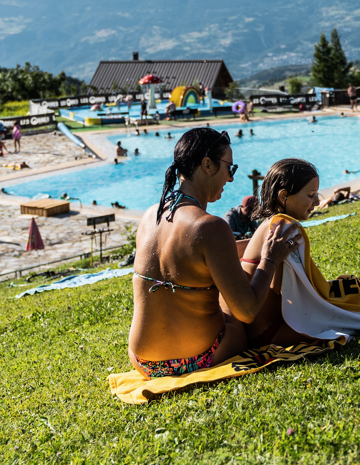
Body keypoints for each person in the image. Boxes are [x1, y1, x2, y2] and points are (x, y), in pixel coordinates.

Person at [127, 128, 300, 378]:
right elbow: (247, 310)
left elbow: (190, 255)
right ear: (207, 164)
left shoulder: (150, 215)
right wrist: (269, 259)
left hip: (144, 361)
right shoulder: (210, 226)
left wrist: (253, 244)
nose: (230, 178)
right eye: (230, 167)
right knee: (236, 308)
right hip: (198, 358)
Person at [234, 159, 321, 346]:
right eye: (311, 195)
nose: (318, 201)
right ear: (283, 197)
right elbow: (297, 291)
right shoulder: (285, 227)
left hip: (260, 330)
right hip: (270, 333)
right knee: (357, 318)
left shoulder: (270, 224)